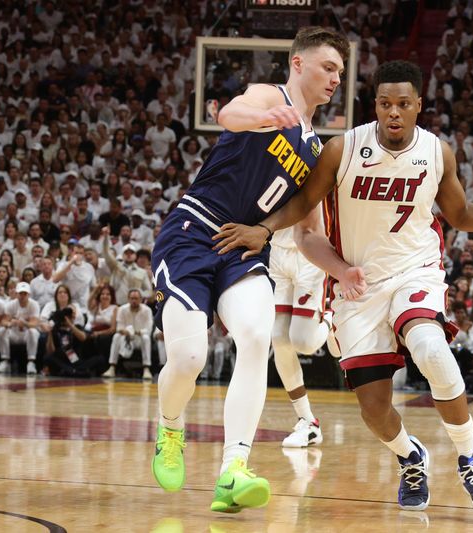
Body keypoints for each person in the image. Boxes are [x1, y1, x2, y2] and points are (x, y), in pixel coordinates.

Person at [213, 61, 473, 510]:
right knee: (375, 409)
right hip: (357, 286)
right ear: (374, 105)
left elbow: (458, 215)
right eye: (384, 104)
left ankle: (470, 459)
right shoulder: (343, 149)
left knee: (431, 348)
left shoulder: (437, 153)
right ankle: (410, 457)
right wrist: (263, 229)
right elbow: (304, 201)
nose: (393, 112)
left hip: (415, 269)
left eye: (402, 104)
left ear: (419, 105)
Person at [148, 26, 349, 514]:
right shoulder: (268, 95)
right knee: (190, 359)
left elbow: (307, 235)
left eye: (341, 73)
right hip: (194, 232)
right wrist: (264, 117)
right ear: (298, 64)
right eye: (328, 67)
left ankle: (232, 471)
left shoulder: (316, 152)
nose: (335, 79)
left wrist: (347, 273)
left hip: (244, 249)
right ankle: (170, 426)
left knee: (259, 336)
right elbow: (228, 113)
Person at [269, 224, 333, 448]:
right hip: (276, 248)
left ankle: (332, 320)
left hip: (310, 247)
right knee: (278, 337)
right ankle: (308, 421)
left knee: (304, 342)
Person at [0, 281, 41, 374]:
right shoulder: (10, 304)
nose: (22, 296)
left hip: (26, 334)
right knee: (2, 330)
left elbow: (34, 323)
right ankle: (5, 360)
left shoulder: (34, 305)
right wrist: (10, 324)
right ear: (17, 294)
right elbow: (4, 321)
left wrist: (24, 323)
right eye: (21, 293)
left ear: (29, 294)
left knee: (33, 331)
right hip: (14, 333)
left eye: (25, 293)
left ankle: (31, 362)